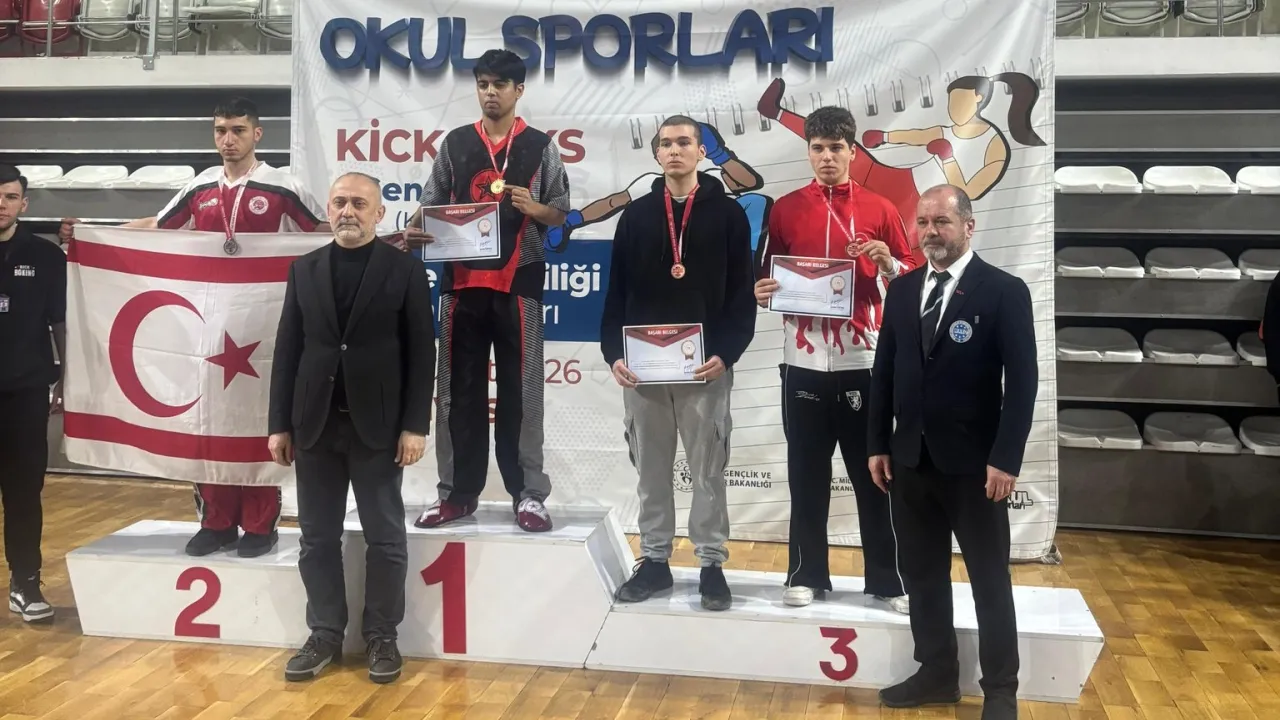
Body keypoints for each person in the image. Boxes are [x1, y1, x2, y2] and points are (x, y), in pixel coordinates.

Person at [58, 97, 330, 559]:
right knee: (207, 420)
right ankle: (216, 522)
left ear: (257, 134)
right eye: (221, 130)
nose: (228, 139)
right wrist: (93, 232)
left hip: (264, 324)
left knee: (258, 420)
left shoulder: (284, 186)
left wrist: (378, 241)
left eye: (238, 130)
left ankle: (260, 525)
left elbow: (323, 233)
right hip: (205, 328)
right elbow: (159, 226)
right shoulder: (200, 186)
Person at [867, 185, 1036, 720]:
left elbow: (1024, 382)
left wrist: (1006, 458)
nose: (930, 232)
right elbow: (884, 372)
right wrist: (878, 443)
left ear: (968, 225)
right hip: (910, 461)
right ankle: (937, 673)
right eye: (922, 222)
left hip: (976, 467)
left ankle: (1001, 690)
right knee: (922, 576)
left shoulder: (1004, 291)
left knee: (989, 580)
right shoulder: (902, 289)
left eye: (941, 221)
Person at [267, 172, 435, 684]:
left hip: (379, 429)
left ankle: (382, 635)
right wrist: (279, 424)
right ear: (328, 209)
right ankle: (324, 634)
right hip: (313, 427)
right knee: (317, 539)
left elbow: (421, 353)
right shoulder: (304, 270)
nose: (348, 211)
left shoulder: (405, 270)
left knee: (386, 539)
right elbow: (287, 350)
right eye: (340, 202)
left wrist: (415, 425)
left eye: (359, 204)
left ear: (379, 214)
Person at [753, 106, 916, 612]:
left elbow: (912, 273)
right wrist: (761, 290)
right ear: (809, 152)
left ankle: (889, 580)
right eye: (818, 148)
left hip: (863, 360)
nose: (827, 157)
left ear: (852, 151)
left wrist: (888, 262)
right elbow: (766, 274)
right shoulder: (785, 208)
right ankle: (805, 573)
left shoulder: (880, 208)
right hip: (801, 361)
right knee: (806, 474)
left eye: (836, 148)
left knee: (876, 475)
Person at [405, 49, 570, 533]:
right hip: (459, 285)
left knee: (523, 392)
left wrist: (535, 208)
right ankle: (456, 494)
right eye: (483, 84)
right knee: (457, 394)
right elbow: (430, 205)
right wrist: (413, 228)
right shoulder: (456, 143)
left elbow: (561, 212)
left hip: (520, 283)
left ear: (519, 90)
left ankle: (529, 495)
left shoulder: (540, 146)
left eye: (500, 84)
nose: (491, 92)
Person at [599, 115, 757, 611]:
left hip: (704, 366)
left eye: (684, 142)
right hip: (644, 368)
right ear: (656, 154)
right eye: (665, 143)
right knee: (650, 470)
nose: (674, 150)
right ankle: (655, 560)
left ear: (700, 152)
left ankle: (711, 564)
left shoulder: (728, 215)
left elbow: (742, 294)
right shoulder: (636, 215)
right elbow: (616, 291)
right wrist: (613, 353)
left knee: (708, 470)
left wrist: (726, 352)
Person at [0, 165, 64, 624]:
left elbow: (60, 321)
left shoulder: (46, 256)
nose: (0, 204)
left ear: (24, 203)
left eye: (9, 197)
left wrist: (68, 377)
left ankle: (25, 582)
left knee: (24, 492)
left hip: (24, 392)